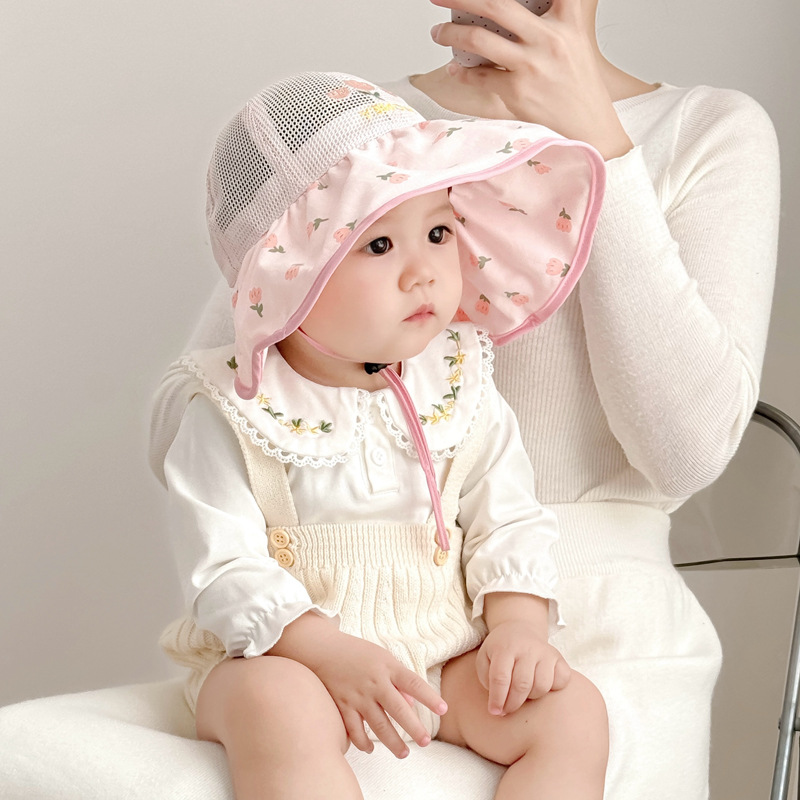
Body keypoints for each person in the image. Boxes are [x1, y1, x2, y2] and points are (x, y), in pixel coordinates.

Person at [152, 71, 610, 799]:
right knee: (277, 707)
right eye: (378, 246)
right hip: (288, 656)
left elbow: (508, 517)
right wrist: (326, 652)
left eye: (438, 233)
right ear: (287, 273)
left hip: (440, 655)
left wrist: (517, 627)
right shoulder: (233, 408)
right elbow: (223, 570)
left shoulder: (458, 383)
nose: (423, 273)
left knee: (572, 712)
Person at [371, 0, 778, 798]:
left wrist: (599, 143)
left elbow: (686, 455)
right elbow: (198, 417)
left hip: (606, 639)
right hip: (372, 619)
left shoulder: (704, 130)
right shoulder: (361, 128)